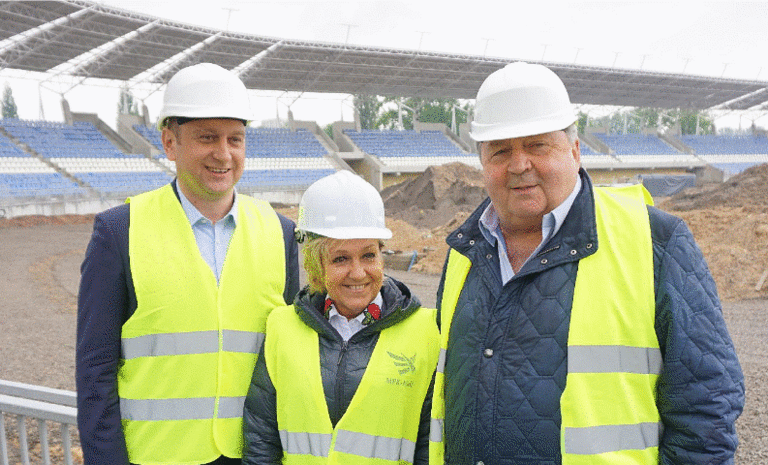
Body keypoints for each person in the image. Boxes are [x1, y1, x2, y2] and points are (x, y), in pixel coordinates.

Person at [429, 62, 745, 464]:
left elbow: (707, 405)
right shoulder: (464, 252)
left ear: (575, 151)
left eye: (537, 145)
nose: (519, 164)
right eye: (500, 150)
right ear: (482, 163)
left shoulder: (655, 241)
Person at [76, 63, 300, 465]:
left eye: (235, 139)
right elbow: (96, 372)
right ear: (170, 142)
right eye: (207, 137)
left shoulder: (281, 232)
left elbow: (293, 358)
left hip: (253, 456)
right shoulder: (120, 231)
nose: (224, 154)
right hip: (156, 457)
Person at [242, 170, 439, 464]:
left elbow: (430, 443)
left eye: (368, 255)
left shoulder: (426, 331)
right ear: (316, 264)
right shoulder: (281, 328)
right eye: (340, 258)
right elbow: (261, 437)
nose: (358, 273)